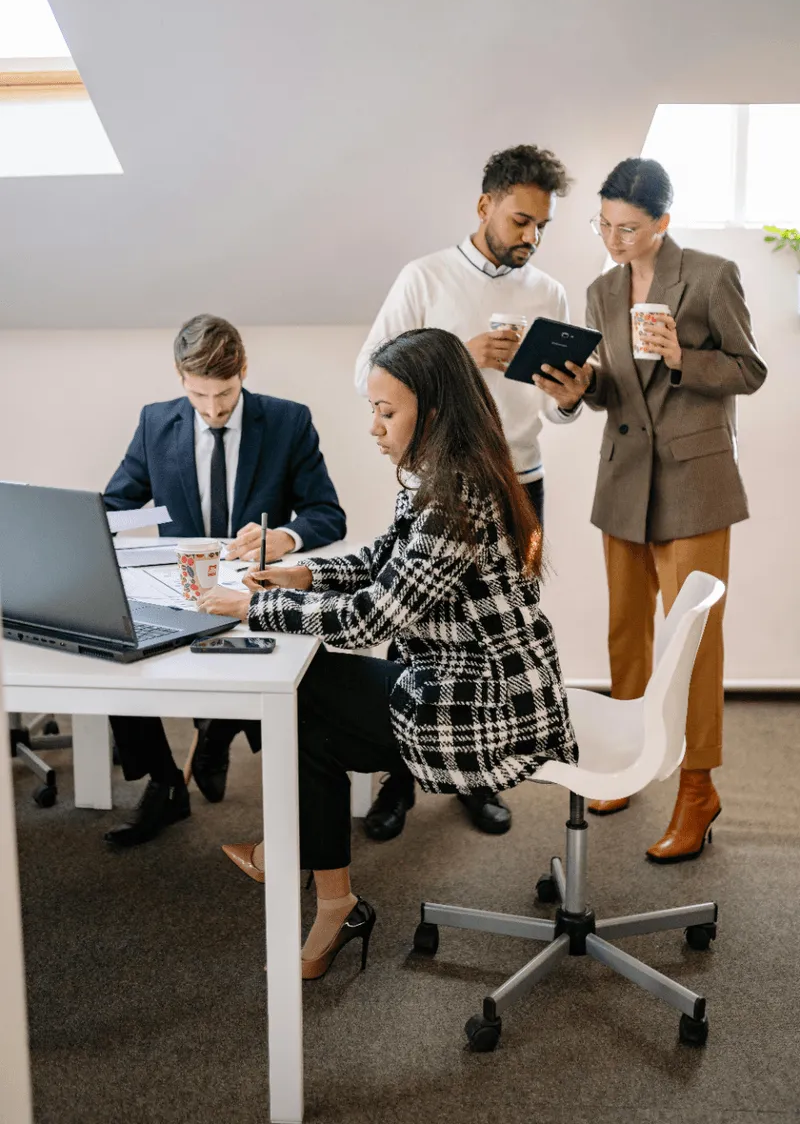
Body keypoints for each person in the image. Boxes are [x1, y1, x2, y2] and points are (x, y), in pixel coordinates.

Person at [199, 328, 577, 980]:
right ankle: (332, 899)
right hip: (473, 678)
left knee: (309, 689)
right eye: (372, 408)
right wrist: (303, 575)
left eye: (386, 410)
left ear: (433, 409)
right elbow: (383, 561)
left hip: (491, 701)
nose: (374, 426)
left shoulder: (456, 496)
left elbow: (374, 617)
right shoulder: (444, 475)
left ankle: (302, 864)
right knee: (311, 716)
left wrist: (251, 608)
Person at [353, 144, 591, 840]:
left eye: (541, 226)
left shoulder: (548, 293)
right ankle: (395, 782)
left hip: (523, 484)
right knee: (414, 630)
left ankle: (479, 779)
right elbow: (368, 372)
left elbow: (551, 412)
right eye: (521, 220)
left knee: (501, 633)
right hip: (442, 482)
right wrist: (458, 353)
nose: (531, 237)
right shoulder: (424, 278)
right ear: (484, 205)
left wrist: (569, 398)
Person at [536, 157, 767, 862]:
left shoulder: (710, 273)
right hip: (624, 480)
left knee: (691, 642)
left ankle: (697, 788)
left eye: (628, 227)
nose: (613, 239)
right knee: (626, 631)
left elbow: (749, 370)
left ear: (662, 222)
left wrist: (681, 358)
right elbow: (611, 387)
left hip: (696, 482)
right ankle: (627, 761)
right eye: (603, 225)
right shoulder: (601, 289)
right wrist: (576, 391)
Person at [102, 314, 346, 847]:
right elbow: (117, 502)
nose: (213, 410)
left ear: (244, 372)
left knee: (273, 678)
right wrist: (101, 528)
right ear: (178, 376)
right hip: (180, 586)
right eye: (199, 396)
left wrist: (286, 535)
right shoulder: (154, 422)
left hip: (255, 588)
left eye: (226, 395)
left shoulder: (287, 421)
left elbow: (329, 514)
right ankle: (166, 784)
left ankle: (220, 730)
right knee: (115, 650)